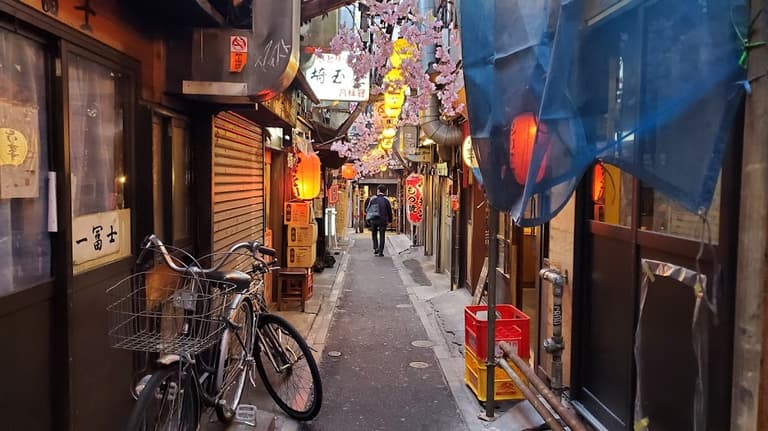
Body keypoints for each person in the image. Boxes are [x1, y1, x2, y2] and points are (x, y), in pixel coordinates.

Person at [365, 185, 393, 256]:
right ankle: (381, 251)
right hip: (383, 220)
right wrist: (390, 220)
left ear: (378, 190)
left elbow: (368, 209)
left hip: (374, 220)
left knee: (374, 233)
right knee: (382, 235)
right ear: (385, 191)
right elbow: (390, 211)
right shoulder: (387, 200)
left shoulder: (373, 199)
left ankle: (376, 248)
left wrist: (368, 219)